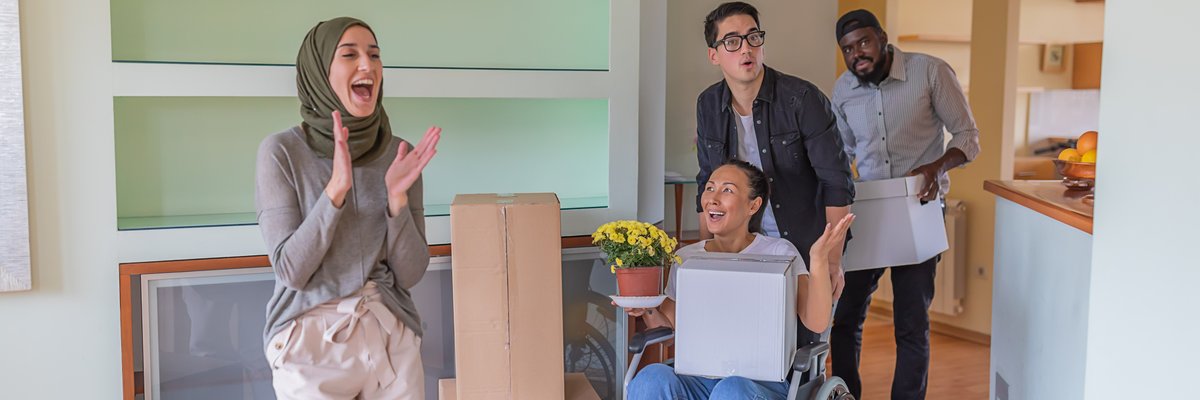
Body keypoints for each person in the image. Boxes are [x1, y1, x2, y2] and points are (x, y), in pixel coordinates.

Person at [255, 17, 441, 400]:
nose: (367, 66)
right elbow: (291, 269)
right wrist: (336, 191)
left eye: (374, 55)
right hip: (310, 341)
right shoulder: (281, 152)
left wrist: (397, 200)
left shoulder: (399, 155)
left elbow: (411, 273)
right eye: (350, 55)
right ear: (319, 73)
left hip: (389, 333)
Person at [829, 9, 981, 400]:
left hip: (920, 207)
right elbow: (840, 152)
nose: (856, 53)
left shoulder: (930, 72)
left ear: (882, 37)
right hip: (869, 210)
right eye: (847, 48)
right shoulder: (843, 90)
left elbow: (967, 136)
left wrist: (937, 166)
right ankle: (847, 396)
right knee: (844, 319)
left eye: (863, 42)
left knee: (911, 323)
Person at [625, 160, 854, 400]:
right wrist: (648, 310)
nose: (713, 198)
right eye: (710, 188)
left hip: (759, 385)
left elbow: (817, 323)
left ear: (753, 205)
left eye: (727, 190)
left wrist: (818, 260)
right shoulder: (686, 257)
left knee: (731, 390)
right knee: (651, 378)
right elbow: (669, 333)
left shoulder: (779, 252)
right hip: (695, 379)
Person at [693, 3, 856, 337]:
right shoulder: (708, 104)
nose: (747, 48)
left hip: (803, 241)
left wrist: (832, 261)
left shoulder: (802, 99)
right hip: (745, 245)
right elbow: (707, 182)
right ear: (714, 55)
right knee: (741, 337)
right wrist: (706, 256)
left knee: (803, 339)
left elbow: (836, 183)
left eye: (753, 36)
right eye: (733, 41)